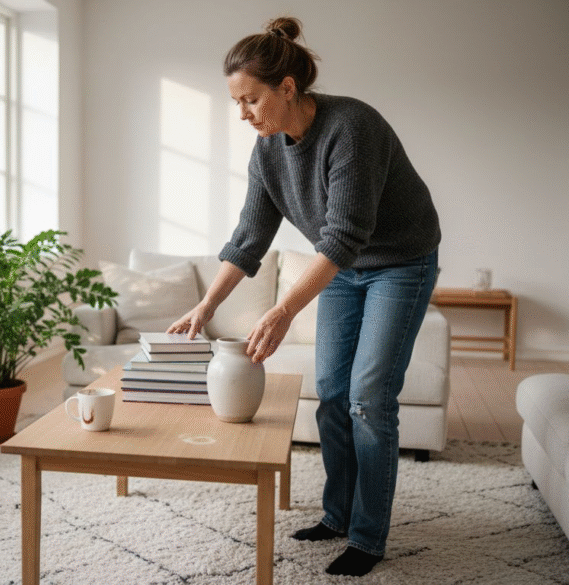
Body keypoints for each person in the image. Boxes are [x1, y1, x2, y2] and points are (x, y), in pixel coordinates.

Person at [167, 16, 441, 577]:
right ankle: (337, 515)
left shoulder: (352, 127)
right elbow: (248, 239)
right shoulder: (268, 150)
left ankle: (367, 536)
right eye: (236, 103)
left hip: (399, 262)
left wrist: (284, 308)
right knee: (334, 394)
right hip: (344, 267)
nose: (242, 114)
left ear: (287, 88)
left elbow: (342, 237)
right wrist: (207, 305)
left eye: (250, 100)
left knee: (368, 396)